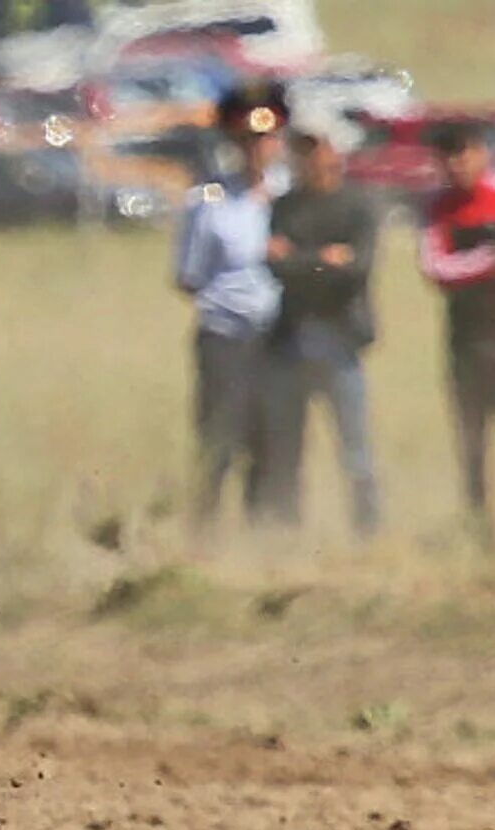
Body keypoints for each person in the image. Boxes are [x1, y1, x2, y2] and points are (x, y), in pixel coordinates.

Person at [175, 81, 289, 528]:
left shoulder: (292, 195)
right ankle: (204, 534)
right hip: (225, 337)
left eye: (267, 137)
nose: (258, 149)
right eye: (248, 139)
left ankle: (266, 535)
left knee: (272, 443)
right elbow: (188, 274)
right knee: (219, 440)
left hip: (279, 337)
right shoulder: (209, 200)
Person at [420, 119, 495, 523]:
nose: (457, 164)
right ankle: (479, 525)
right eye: (448, 156)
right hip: (466, 338)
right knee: (472, 443)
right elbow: (437, 269)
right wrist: (493, 264)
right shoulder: (437, 207)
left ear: (483, 152)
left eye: (465, 152)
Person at [265, 114, 381, 536]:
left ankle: (368, 532)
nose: (309, 158)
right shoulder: (285, 205)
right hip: (291, 339)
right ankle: (284, 529)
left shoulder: (359, 206)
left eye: (317, 148)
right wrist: (324, 259)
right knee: (285, 448)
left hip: (341, 338)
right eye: (302, 150)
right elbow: (275, 266)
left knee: (355, 450)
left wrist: (299, 259)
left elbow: (357, 268)